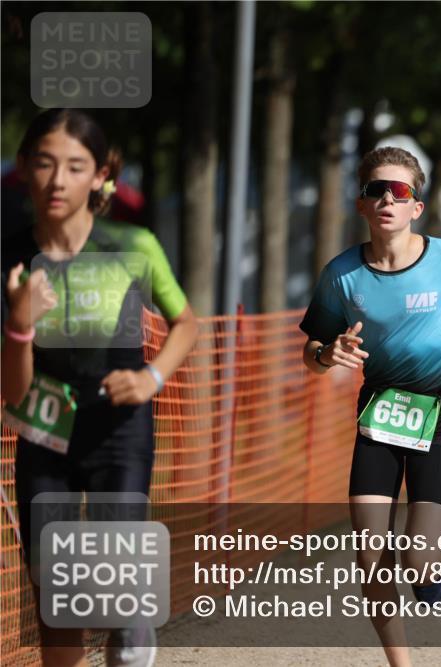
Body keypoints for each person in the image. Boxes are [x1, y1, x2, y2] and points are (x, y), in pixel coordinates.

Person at [299, 147, 441, 667]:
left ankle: (431, 563)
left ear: (415, 207)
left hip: (437, 414)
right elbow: (310, 353)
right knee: (370, 558)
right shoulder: (342, 275)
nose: (386, 198)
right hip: (377, 416)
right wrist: (325, 354)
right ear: (361, 204)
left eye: (398, 191)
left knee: (415, 559)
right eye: (376, 189)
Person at [1, 108, 199, 667]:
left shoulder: (131, 244)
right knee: (55, 592)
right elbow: (12, 395)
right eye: (44, 164)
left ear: (100, 174)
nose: (58, 181)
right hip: (43, 434)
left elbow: (187, 324)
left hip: (119, 429)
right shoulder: (9, 256)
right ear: (24, 168)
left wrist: (151, 376)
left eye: (74, 166)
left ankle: (130, 619)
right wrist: (19, 325)